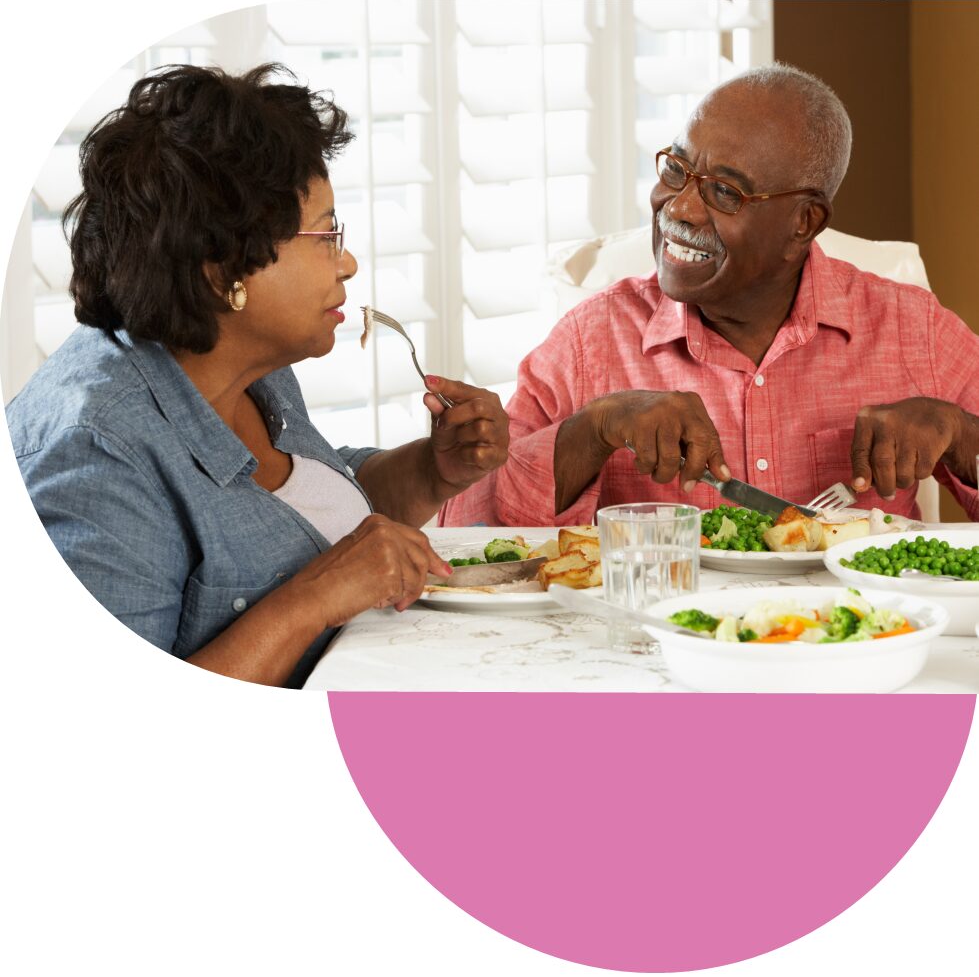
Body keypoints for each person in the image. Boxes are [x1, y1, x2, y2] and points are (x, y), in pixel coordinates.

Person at [6, 63, 509, 688]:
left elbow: (310, 516)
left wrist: (435, 470)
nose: (348, 262)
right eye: (326, 234)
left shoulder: (242, 364)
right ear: (224, 271)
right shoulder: (93, 455)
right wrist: (314, 597)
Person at [441, 63, 979, 528]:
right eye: (677, 170)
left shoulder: (912, 330)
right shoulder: (592, 341)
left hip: (866, 640)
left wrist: (958, 433)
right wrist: (595, 428)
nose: (679, 208)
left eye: (725, 191)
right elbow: (467, 525)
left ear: (804, 222)